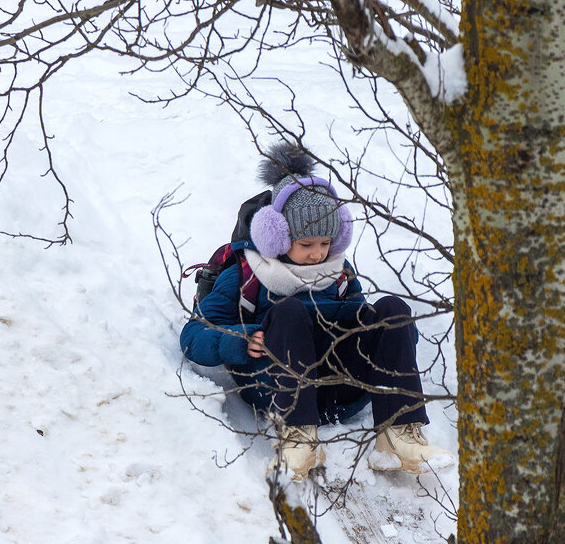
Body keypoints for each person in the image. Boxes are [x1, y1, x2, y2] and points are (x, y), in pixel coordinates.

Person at [180, 142, 451, 480]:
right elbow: (193, 336)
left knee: (392, 309)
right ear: (277, 237)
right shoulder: (246, 273)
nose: (317, 255)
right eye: (306, 244)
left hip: (340, 389)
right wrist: (239, 338)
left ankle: (398, 434)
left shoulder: (338, 271)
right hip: (275, 387)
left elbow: (377, 327)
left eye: (325, 243)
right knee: (289, 311)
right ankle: (298, 438)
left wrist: (389, 332)